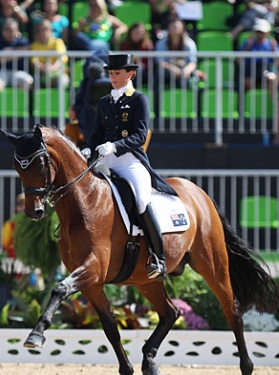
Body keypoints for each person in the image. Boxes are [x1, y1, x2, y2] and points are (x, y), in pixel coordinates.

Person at [84, 53, 177, 281]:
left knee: (142, 200)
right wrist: (89, 149)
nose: (113, 77)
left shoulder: (138, 99)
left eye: (117, 73)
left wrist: (115, 145)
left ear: (130, 74)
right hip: (105, 160)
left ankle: (159, 258)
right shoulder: (105, 102)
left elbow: (139, 135)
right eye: (111, 73)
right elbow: (96, 134)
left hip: (129, 161)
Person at [0, 17, 33, 91]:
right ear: (2, 31)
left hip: (18, 72)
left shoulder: (23, 42)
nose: (9, 32)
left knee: (28, 81)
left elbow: (27, 49)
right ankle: (0, 102)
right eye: (6, 29)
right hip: (0, 72)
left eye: (12, 30)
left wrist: (6, 53)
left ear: (17, 30)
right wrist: (16, 54)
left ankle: (20, 102)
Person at [154, 18, 199, 87]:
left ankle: (185, 96)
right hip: (167, 70)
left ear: (182, 29)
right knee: (159, 74)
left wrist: (186, 70)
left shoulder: (189, 43)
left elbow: (192, 62)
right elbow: (160, 62)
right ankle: (157, 96)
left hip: (183, 70)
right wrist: (173, 69)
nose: (175, 29)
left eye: (177, 27)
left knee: (188, 78)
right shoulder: (161, 43)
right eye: (173, 27)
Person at [30, 19, 69, 87]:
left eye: (45, 29)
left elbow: (62, 58)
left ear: (50, 30)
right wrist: (43, 68)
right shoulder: (35, 45)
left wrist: (52, 68)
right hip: (42, 74)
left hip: (58, 73)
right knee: (33, 81)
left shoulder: (57, 42)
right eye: (40, 30)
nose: (43, 32)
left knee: (61, 81)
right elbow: (34, 61)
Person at [1, 193, 25, 258]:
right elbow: (5, 244)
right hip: (14, 258)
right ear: (16, 207)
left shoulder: (36, 225)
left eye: (25, 204)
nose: (23, 207)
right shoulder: (10, 224)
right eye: (20, 204)